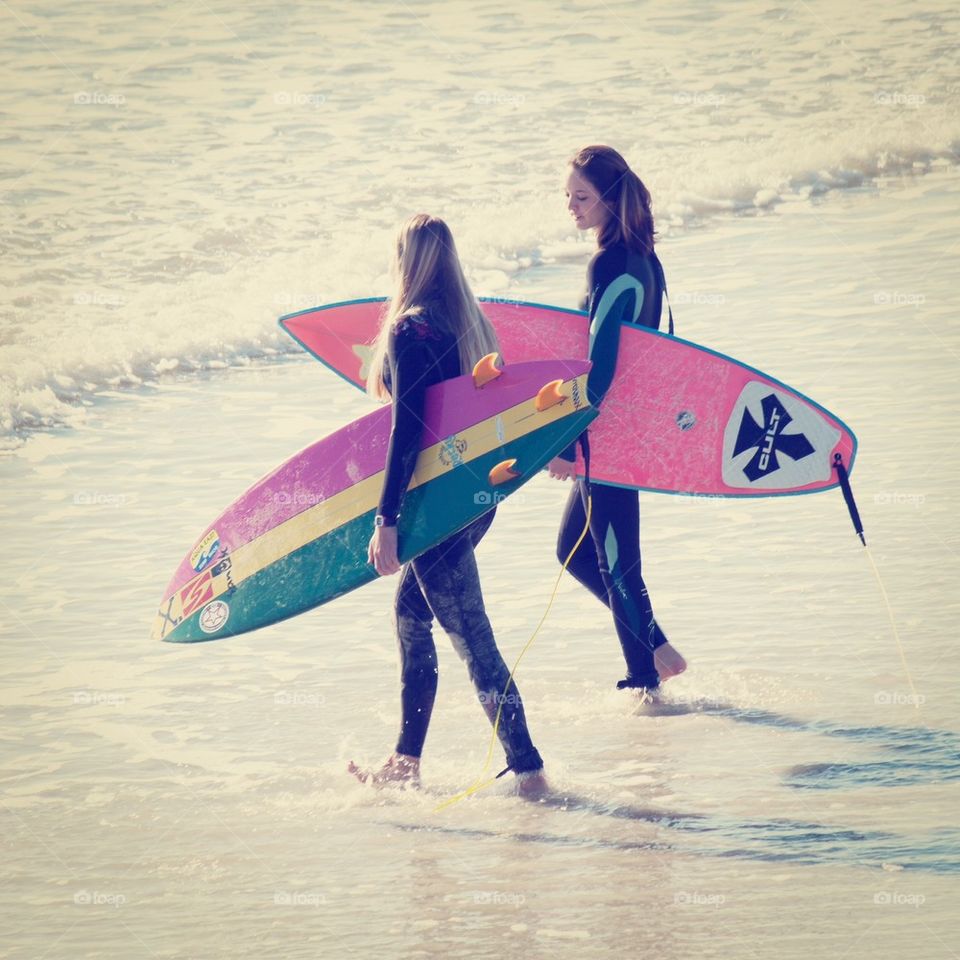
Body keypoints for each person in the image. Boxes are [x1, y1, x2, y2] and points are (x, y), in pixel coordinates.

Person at [349, 213, 548, 797]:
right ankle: (406, 762)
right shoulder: (473, 326)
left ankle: (530, 768)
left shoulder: (412, 331)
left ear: (407, 263)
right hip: (475, 495)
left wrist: (386, 519)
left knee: (473, 641)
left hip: (435, 508)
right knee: (412, 617)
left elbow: (405, 429)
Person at [547, 145, 687, 701]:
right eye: (568, 198)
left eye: (582, 197)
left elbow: (599, 371)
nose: (573, 208)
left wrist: (567, 442)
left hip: (607, 433)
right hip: (623, 427)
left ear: (608, 197)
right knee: (578, 552)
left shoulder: (611, 265)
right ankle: (656, 650)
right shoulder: (645, 261)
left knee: (616, 563)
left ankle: (646, 687)